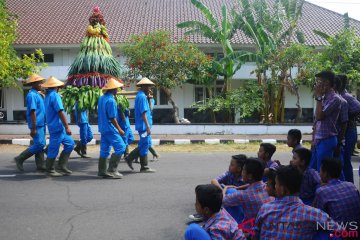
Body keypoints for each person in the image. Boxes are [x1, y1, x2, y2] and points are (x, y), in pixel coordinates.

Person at [254, 165, 339, 240]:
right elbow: (340, 230)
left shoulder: (265, 209)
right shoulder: (313, 214)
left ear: (283, 190)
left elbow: (256, 235)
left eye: (276, 184)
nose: (274, 187)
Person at [189, 154, 248, 223]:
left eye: (232, 165)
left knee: (231, 191)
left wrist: (226, 190)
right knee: (213, 190)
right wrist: (222, 190)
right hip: (226, 197)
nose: (229, 166)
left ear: (239, 169)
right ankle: (205, 213)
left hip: (237, 203)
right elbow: (214, 180)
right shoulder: (229, 174)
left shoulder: (244, 178)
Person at [222, 158, 273, 226]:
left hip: (251, 229)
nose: (242, 173)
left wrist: (225, 188)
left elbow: (223, 200)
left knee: (230, 192)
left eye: (243, 170)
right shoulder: (266, 187)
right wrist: (238, 188)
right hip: (267, 224)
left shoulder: (244, 195)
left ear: (249, 176)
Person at [43, 76, 75, 177]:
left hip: (56, 126)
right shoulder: (55, 96)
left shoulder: (48, 96)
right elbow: (60, 112)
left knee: (70, 143)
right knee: (53, 148)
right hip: (57, 126)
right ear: (57, 87)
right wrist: (67, 126)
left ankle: (61, 166)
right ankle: (50, 169)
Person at [14, 74, 46, 172]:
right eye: (39, 82)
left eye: (41, 82)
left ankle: (40, 165)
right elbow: (33, 111)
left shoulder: (37, 94)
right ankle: (20, 158)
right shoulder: (32, 95)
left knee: (40, 144)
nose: (41, 84)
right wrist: (33, 127)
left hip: (41, 123)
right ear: (33, 84)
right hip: (36, 124)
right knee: (40, 144)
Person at [313, 158, 360, 224]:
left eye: (320, 171)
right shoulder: (351, 185)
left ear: (326, 174)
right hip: (356, 228)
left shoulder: (321, 191)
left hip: (338, 231)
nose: (319, 173)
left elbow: (317, 215)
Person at [311, 71, 341, 172]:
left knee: (323, 171)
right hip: (319, 139)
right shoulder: (324, 97)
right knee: (314, 170)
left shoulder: (335, 99)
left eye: (318, 82)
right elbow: (316, 121)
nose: (316, 85)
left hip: (327, 139)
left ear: (326, 83)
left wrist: (318, 97)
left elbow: (319, 116)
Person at [124, 77, 156, 173]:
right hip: (143, 126)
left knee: (145, 144)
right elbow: (143, 113)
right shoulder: (141, 97)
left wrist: (149, 99)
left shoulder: (143, 96)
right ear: (144, 87)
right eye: (148, 87)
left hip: (144, 125)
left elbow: (149, 110)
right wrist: (147, 126)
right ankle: (141, 165)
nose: (150, 89)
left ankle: (132, 159)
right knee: (144, 144)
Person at [97, 78, 127, 179]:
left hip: (103, 127)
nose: (117, 90)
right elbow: (112, 117)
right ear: (114, 89)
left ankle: (102, 171)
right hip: (110, 128)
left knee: (104, 149)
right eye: (117, 88)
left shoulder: (101, 98)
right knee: (121, 147)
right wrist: (119, 129)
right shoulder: (111, 100)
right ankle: (112, 170)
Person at [338, 74, 360, 183]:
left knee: (346, 160)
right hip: (345, 131)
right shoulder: (338, 95)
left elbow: (358, 108)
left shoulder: (346, 96)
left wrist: (347, 116)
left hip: (349, 131)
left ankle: (349, 185)